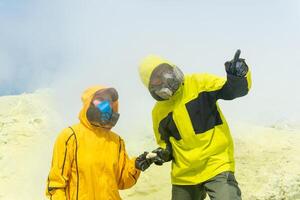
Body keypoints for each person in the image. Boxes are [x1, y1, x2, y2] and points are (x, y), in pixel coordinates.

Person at [138, 50, 252, 200]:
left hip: (216, 163)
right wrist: (159, 155)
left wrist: (238, 75)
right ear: (151, 86)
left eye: (165, 71)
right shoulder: (158, 113)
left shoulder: (199, 83)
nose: (165, 77)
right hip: (184, 176)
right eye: (157, 77)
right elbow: (167, 146)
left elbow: (232, 91)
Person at [46, 85, 152, 200]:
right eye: (100, 100)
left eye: (109, 102)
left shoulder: (116, 141)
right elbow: (56, 185)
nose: (106, 105)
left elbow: (122, 181)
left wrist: (136, 165)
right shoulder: (70, 136)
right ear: (88, 102)